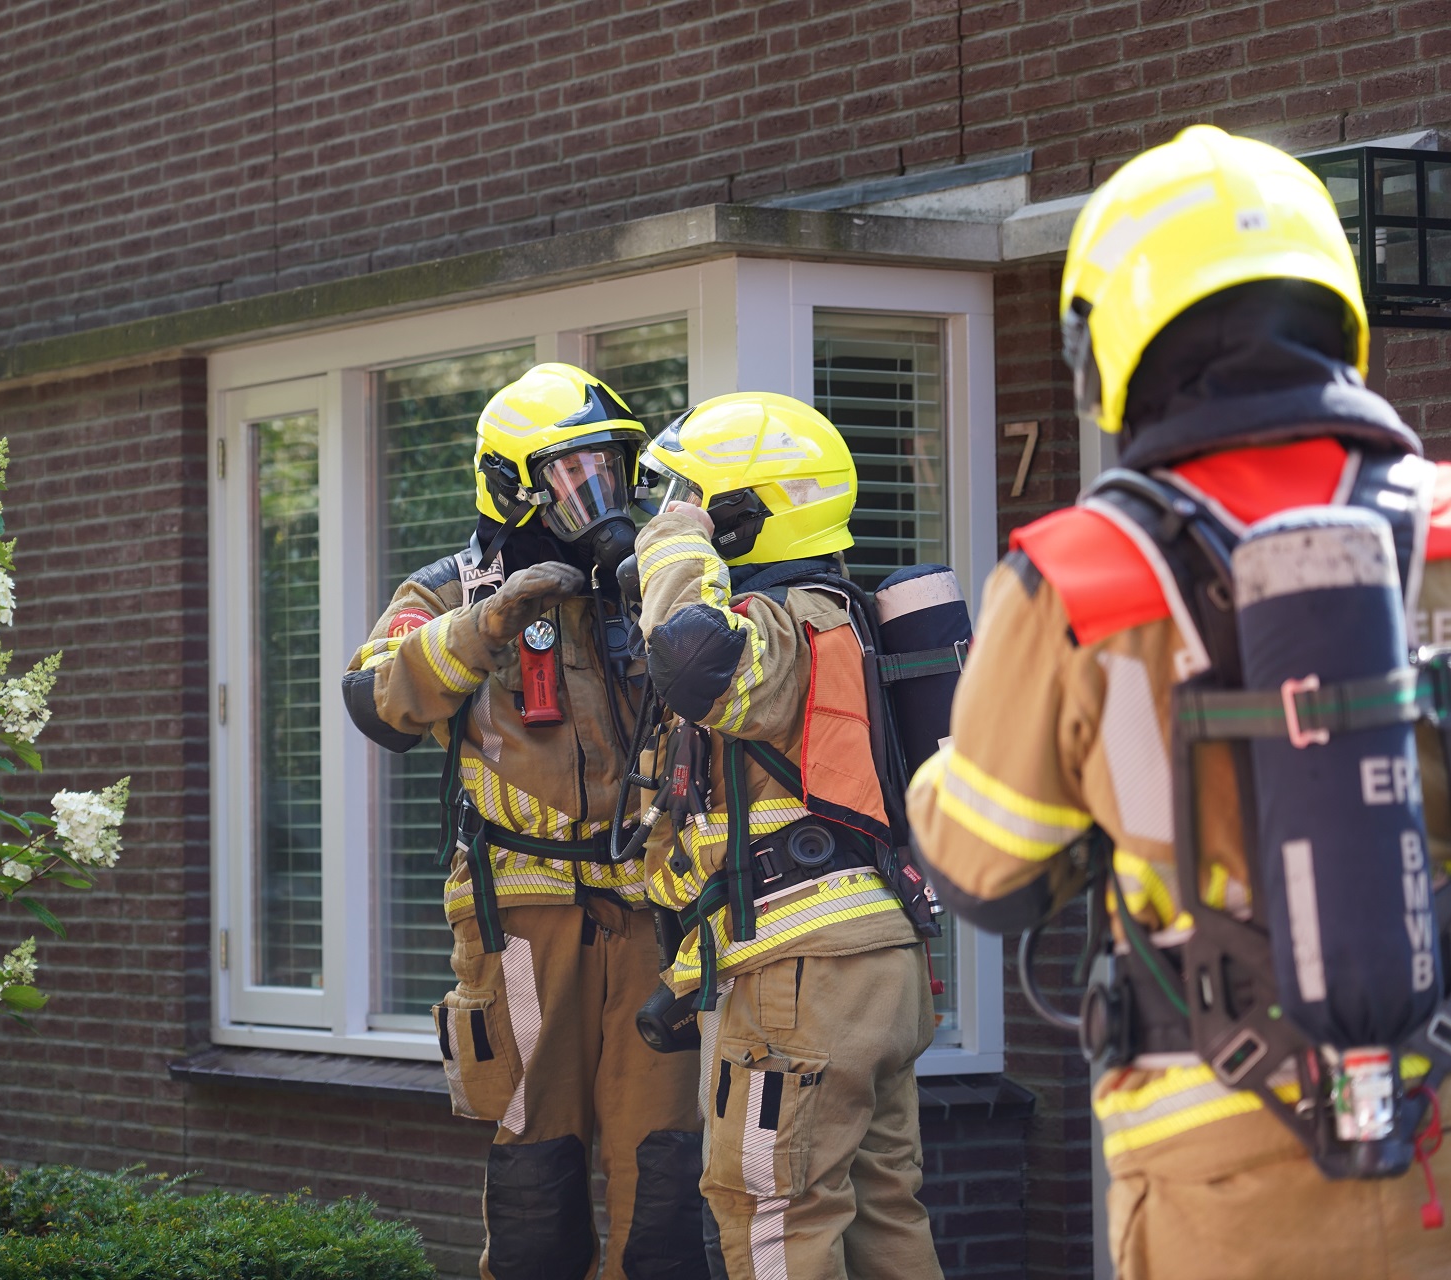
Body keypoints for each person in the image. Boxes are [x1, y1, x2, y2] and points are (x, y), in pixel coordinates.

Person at [904, 124, 1451, 1279]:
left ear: (1111, 346)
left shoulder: (1081, 571)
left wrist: (939, 764)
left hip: (1218, 1159)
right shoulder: (1443, 528)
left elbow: (985, 873)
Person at [342, 362, 708, 1280]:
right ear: (510, 488)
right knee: (537, 1179)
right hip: (519, 927)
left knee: (665, 1177)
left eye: (611, 472)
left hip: (650, 917)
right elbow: (372, 702)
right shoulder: (452, 587)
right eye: (572, 475)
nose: (599, 497)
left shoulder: (642, 584)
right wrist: (484, 625)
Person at [627, 391, 945, 1280]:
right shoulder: (837, 616)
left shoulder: (781, 623)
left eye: (691, 500)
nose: (666, 516)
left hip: (800, 976)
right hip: (871, 962)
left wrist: (678, 548)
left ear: (743, 517)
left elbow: (691, 659)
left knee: (773, 1215)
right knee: (885, 1217)